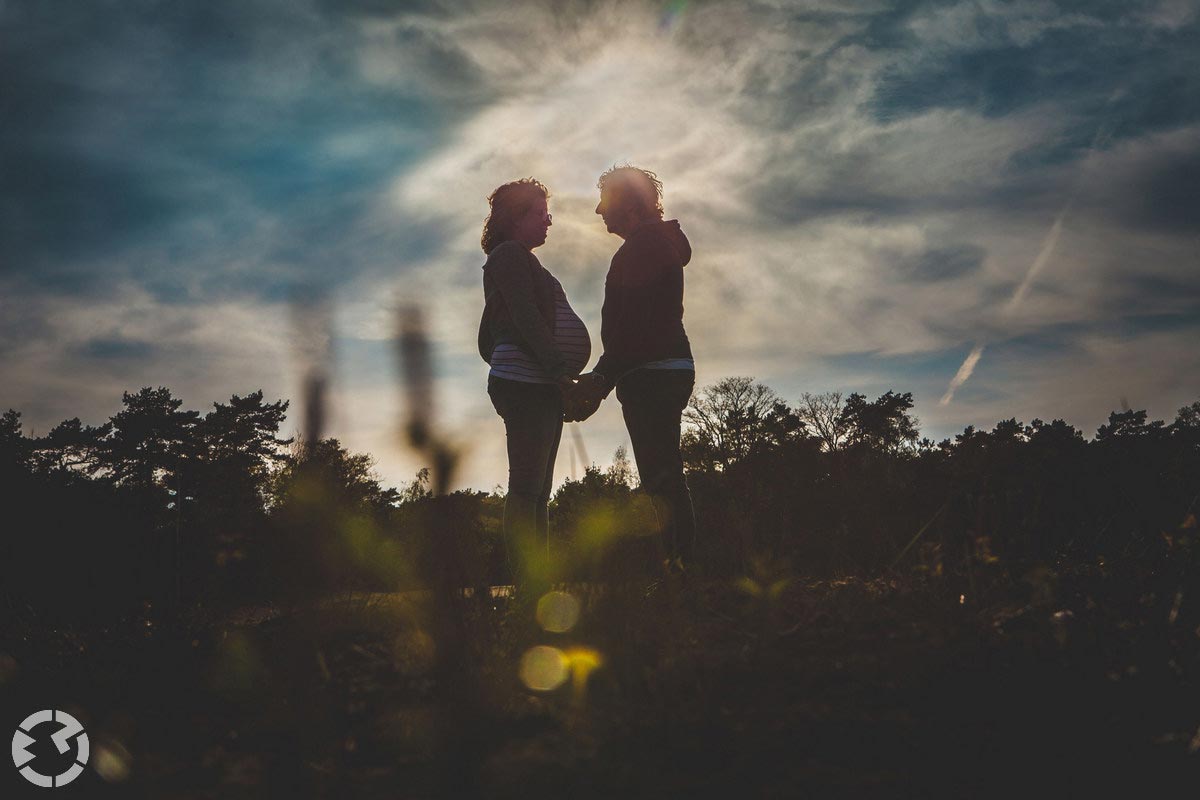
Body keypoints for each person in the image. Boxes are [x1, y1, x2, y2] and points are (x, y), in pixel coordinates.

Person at [568, 165, 697, 574]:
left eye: (605, 201)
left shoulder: (644, 247)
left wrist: (602, 379)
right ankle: (681, 568)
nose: (598, 211)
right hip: (660, 367)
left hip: (652, 371)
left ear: (625, 204)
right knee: (664, 473)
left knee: (661, 477)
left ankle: (681, 571)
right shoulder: (654, 243)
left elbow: (633, 328)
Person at [478, 178, 591, 594]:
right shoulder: (508, 255)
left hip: (538, 382)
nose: (549, 221)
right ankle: (528, 586)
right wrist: (558, 368)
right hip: (527, 382)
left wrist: (553, 374)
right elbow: (524, 317)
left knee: (540, 490)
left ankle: (536, 582)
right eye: (541, 214)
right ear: (516, 217)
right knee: (527, 489)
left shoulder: (518, 259)